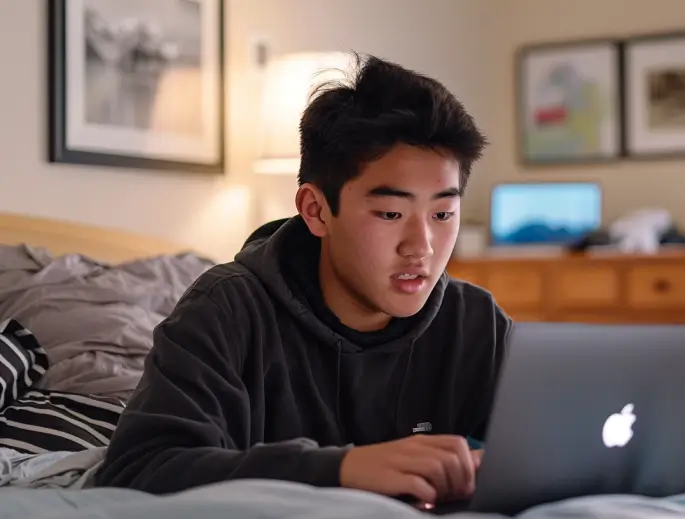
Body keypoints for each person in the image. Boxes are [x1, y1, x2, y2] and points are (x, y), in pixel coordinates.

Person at [94, 54, 511, 507]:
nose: (422, 246)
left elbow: (552, 458)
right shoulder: (226, 309)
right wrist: (343, 469)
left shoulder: (475, 320)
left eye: (443, 214)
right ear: (315, 210)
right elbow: (138, 469)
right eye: (391, 213)